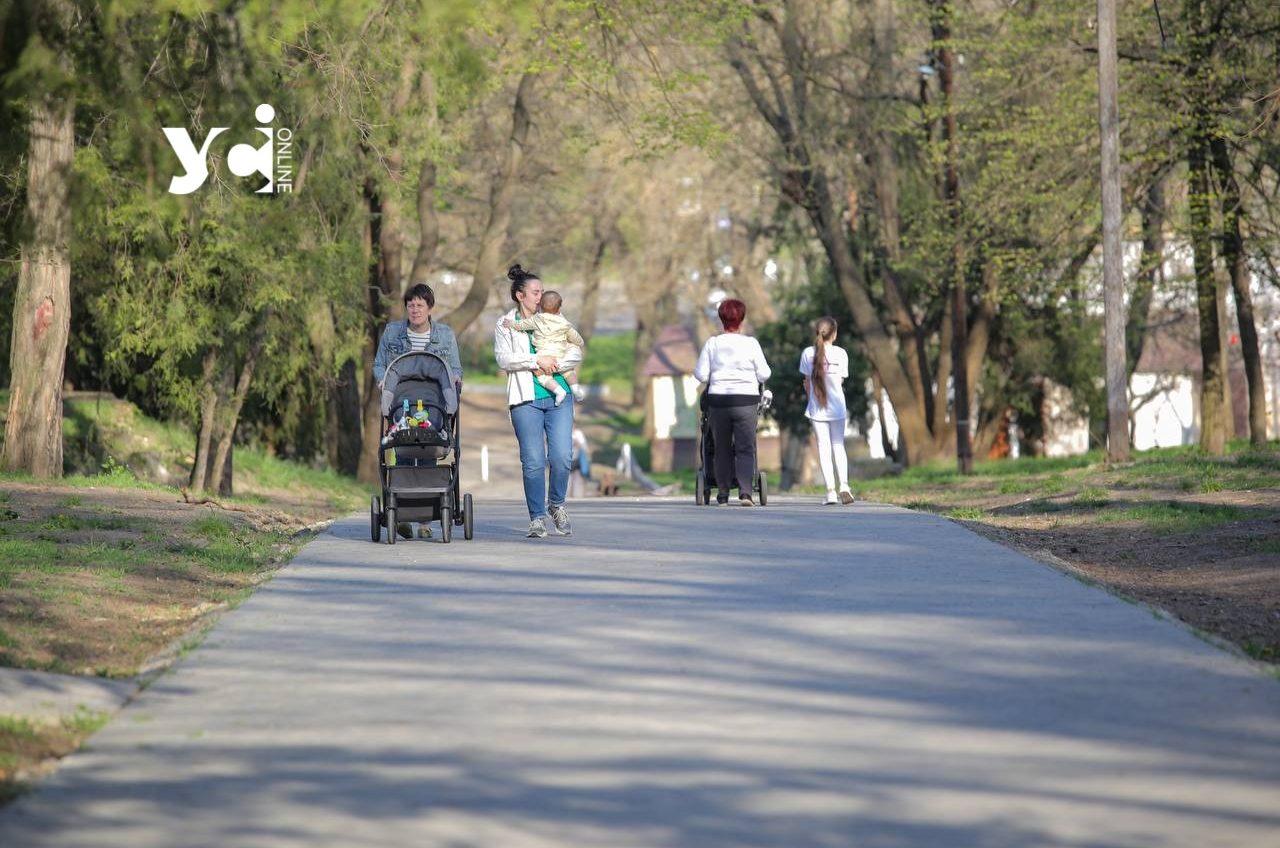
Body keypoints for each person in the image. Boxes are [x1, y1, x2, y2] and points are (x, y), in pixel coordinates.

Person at [495, 263, 582, 538]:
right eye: (535, 292)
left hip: (559, 396)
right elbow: (503, 358)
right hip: (525, 399)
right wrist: (535, 360)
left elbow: (576, 351)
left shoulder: (557, 318)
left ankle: (556, 505)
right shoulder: (505, 324)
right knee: (532, 461)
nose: (540, 296)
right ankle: (537, 518)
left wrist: (556, 364)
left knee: (562, 457)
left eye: (542, 291)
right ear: (520, 295)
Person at [373, 283, 463, 539]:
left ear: (430, 308)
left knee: (428, 449)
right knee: (402, 448)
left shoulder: (444, 335)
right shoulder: (393, 332)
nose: (415, 309)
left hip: (433, 403)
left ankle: (424, 521)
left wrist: (455, 379)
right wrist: (383, 379)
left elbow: (455, 368)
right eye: (410, 304)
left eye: (420, 305)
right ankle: (401, 513)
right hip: (402, 401)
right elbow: (379, 364)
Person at [693, 299, 772, 506]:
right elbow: (764, 374)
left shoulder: (713, 343)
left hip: (718, 401)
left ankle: (723, 494)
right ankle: (746, 493)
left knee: (721, 448)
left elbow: (700, 374)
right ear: (742, 319)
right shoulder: (751, 344)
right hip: (746, 401)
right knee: (745, 447)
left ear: (721, 319)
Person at [800, 316, 855, 505]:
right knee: (838, 445)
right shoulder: (841, 354)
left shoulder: (807, 353)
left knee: (824, 448)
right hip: (838, 406)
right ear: (835, 334)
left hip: (817, 408)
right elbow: (840, 380)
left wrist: (811, 401)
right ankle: (845, 486)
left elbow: (808, 383)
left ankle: (830, 491)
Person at [501, 289, 587, 406]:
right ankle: (576, 388)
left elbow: (522, 325)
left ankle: (558, 391)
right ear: (559, 308)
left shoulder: (538, 319)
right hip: (560, 356)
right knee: (568, 372)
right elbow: (576, 337)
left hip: (544, 357)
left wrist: (511, 324)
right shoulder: (564, 323)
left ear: (540, 307)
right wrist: (580, 342)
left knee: (541, 375)